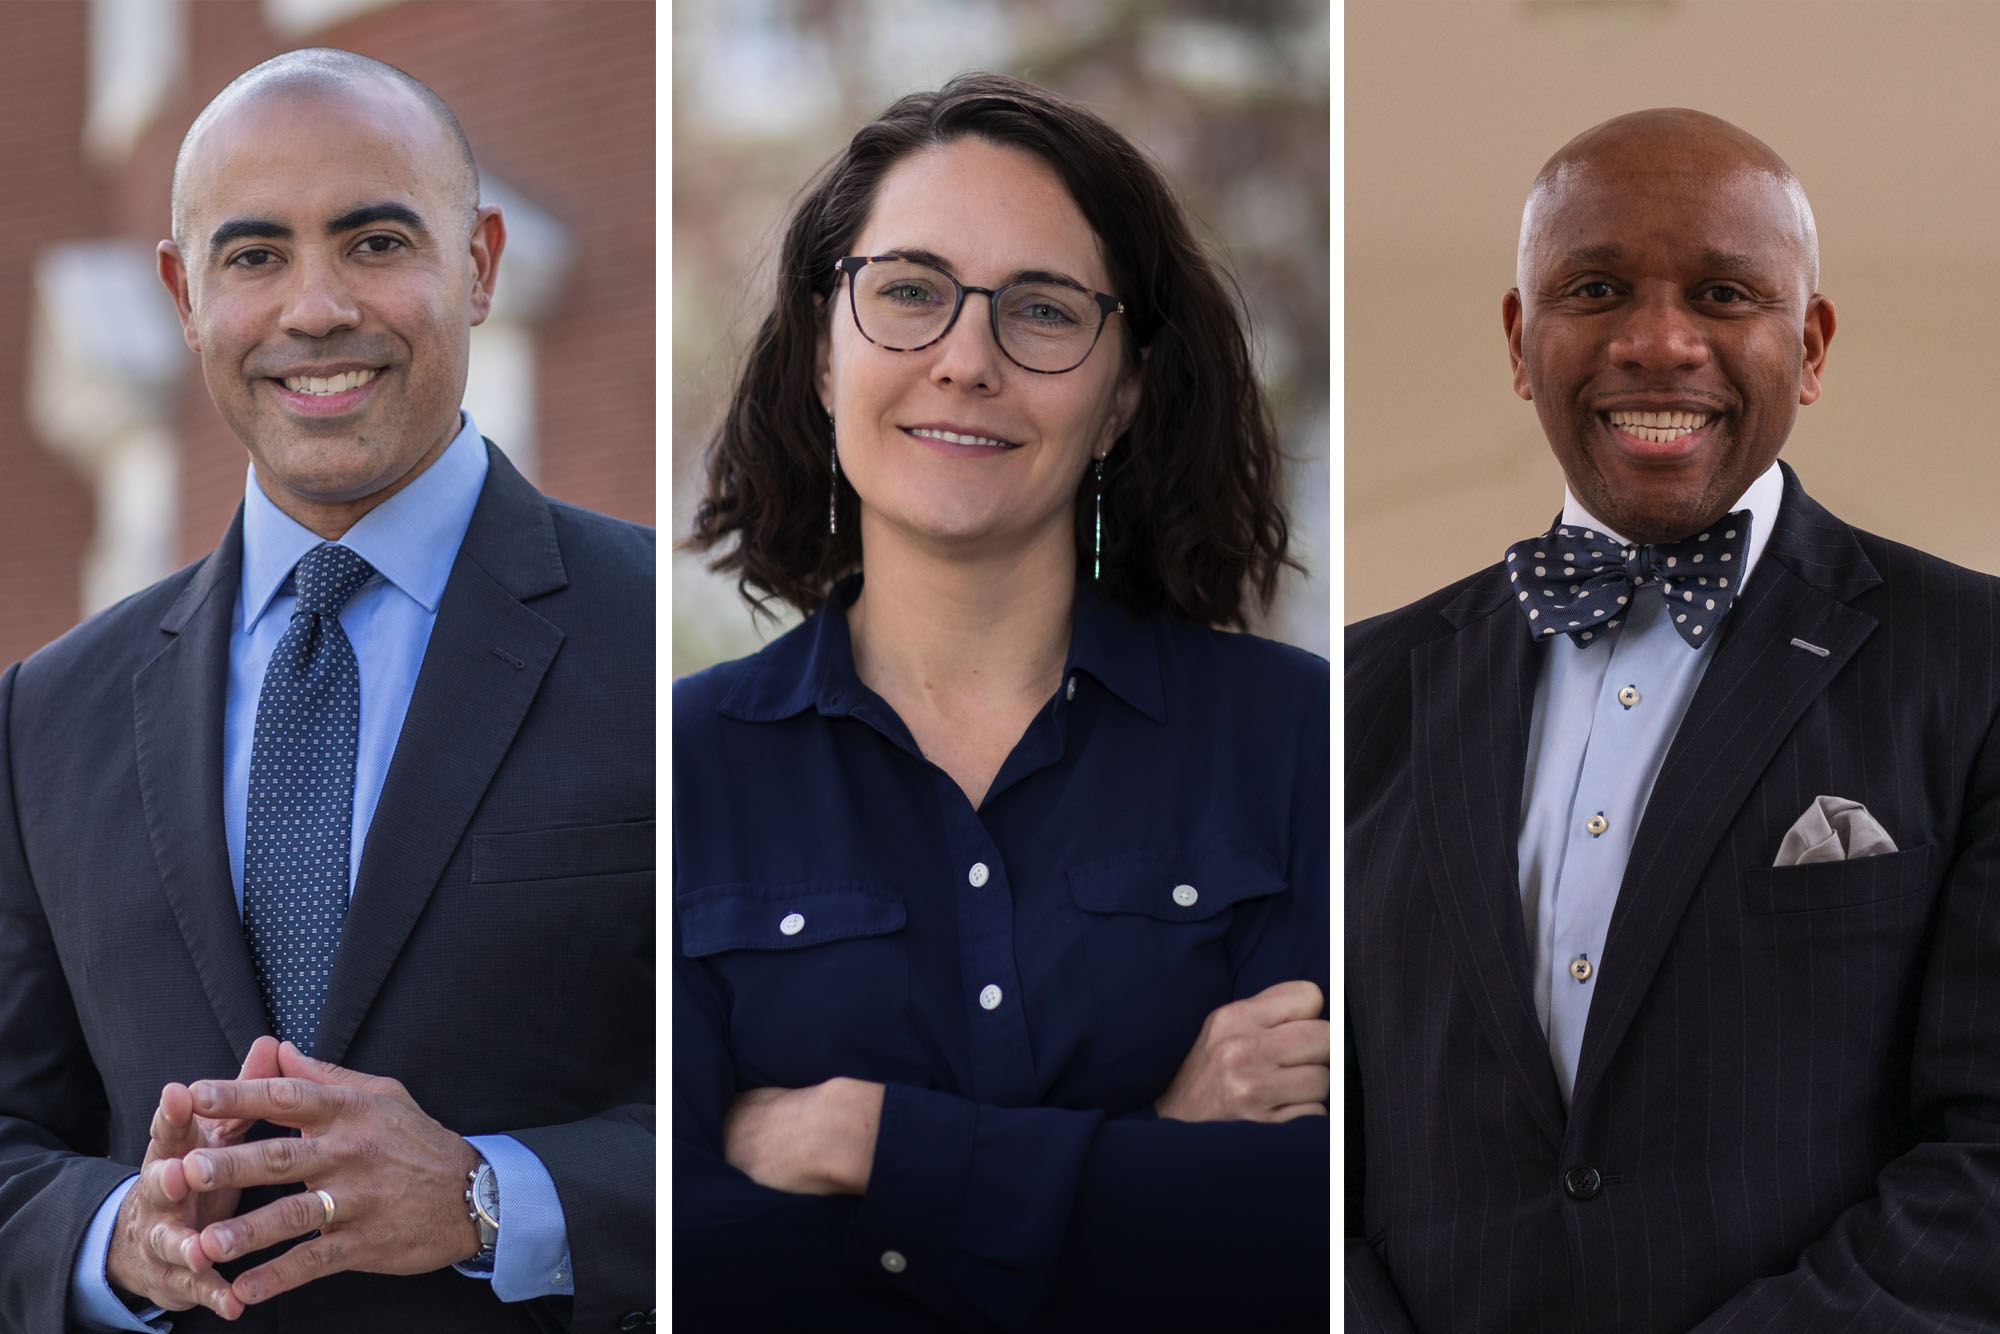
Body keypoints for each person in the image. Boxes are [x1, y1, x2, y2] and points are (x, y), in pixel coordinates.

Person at [0, 49, 654, 1332]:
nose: (313, 307)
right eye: (253, 256)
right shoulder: (45, 717)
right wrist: (115, 1236)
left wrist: (488, 1193)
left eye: (372, 241)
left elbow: (777, 1114)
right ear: (185, 296)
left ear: (475, 262)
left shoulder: (660, 642)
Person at [675, 73, 1330, 1331]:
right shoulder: (684, 769)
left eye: (1041, 311)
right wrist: (1153, 1145)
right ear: (824, 349)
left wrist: (868, 1140)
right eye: (909, 292)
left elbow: (1303, 1236)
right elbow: (686, 1264)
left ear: (1123, 396)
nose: (965, 360)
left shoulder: (1295, 738)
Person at [1346, 107, 2000, 1331]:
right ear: (1516, 334)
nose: (1656, 342)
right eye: (1593, 287)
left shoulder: (1974, 662)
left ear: (1806, 347)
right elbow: (1306, 1143)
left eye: (1720, 293)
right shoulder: (1351, 694)